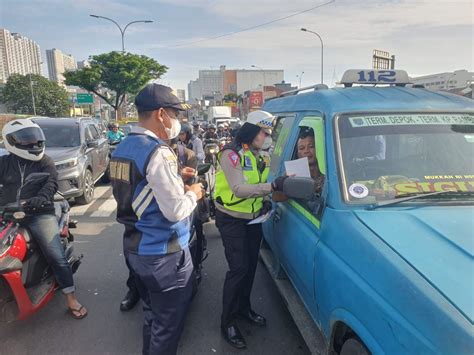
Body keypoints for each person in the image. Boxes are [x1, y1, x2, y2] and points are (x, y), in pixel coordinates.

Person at [110, 83, 204, 355]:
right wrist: (194, 194)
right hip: (164, 254)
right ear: (161, 114)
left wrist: (177, 181)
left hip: (135, 247)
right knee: (168, 326)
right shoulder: (158, 151)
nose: (178, 121)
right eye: (175, 114)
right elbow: (174, 211)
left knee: (152, 316)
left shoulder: (124, 146)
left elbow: (139, 190)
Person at [213, 111, 288, 349]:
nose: (266, 137)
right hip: (232, 219)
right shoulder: (230, 154)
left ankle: (244, 308)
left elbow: (261, 181)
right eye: (263, 132)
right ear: (252, 130)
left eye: (268, 133)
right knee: (238, 269)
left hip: (253, 218)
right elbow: (238, 188)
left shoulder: (258, 155)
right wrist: (272, 186)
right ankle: (227, 322)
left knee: (250, 267)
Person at [0, 119, 88, 319]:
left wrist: (39, 199)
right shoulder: (4, 163)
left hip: (38, 212)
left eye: (35, 139)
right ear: (11, 141)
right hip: (6, 213)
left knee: (55, 255)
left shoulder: (44, 161)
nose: (33, 144)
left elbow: (51, 184)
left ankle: (71, 298)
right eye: (27, 140)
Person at [296, 127, 325, 193]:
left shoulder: (328, 172)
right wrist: (286, 179)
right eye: (301, 148)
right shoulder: (294, 173)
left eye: (311, 146)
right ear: (297, 153)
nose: (306, 151)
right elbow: (276, 197)